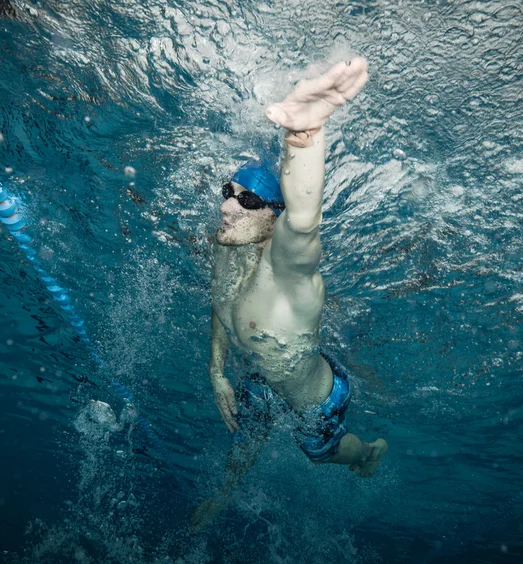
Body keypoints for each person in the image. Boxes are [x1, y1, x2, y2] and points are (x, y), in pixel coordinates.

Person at [192, 57, 388, 528]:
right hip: (265, 377)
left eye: (248, 201)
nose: (226, 206)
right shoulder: (228, 248)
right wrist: (216, 370)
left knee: (321, 453)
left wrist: (303, 138)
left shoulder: (288, 273)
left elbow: (303, 221)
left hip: (314, 397)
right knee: (247, 433)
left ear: (272, 218)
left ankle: (368, 454)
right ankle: (223, 496)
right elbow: (220, 305)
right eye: (227, 190)